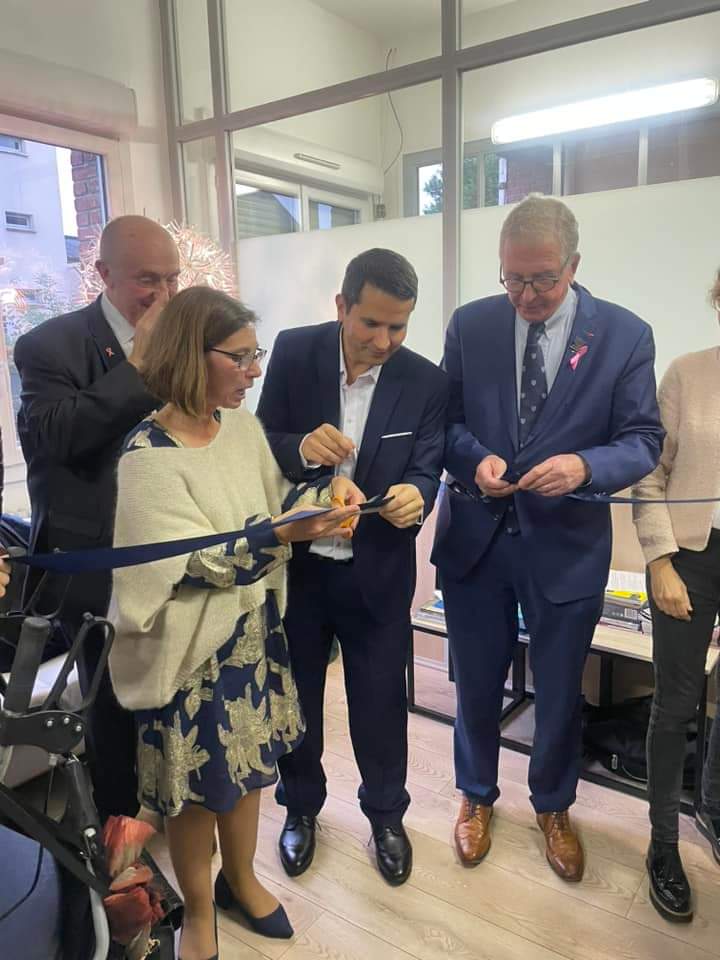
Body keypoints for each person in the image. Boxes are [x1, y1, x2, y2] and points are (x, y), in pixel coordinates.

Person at [111, 287, 361, 960]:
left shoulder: (242, 429)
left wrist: (324, 495)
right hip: (188, 655)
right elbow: (185, 566)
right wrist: (282, 532)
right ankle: (199, 910)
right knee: (194, 796)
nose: (254, 371)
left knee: (249, 772)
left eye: (257, 355)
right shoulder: (147, 454)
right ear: (192, 355)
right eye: (241, 357)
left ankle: (241, 881)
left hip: (251, 637)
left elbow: (273, 503)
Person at [432, 195, 664, 881]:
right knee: (475, 683)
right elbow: (445, 422)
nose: (527, 295)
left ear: (574, 265)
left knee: (560, 689)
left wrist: (585, 467)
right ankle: (476, 796)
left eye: (543, 280)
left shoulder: (624, 335)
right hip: (477, 535)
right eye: (514, 279)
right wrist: (475, 459)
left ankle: (554, 805)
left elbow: (643, 439)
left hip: (567, 543)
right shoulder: (472, 324)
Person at [257, 248, 448, 886]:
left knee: (380, 703)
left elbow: (427, 466)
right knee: (296, 697)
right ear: (342, 306)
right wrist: (299, 447)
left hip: (379, 571)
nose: (384, 341)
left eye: (399, 326)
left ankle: (386, 816)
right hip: (300, 571)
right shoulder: (294, 351)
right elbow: (263, 440)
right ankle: (300, 807)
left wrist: (418, 494)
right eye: (371, 323)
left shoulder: (425, 381)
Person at [14, 215, 180, 821]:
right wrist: (139, 364)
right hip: (96, 562)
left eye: (172, 279)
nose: (163, 294)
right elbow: (61, 438)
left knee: (174, 697)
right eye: (147, 280)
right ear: (104, 273)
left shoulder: (183, 339)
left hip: (173, 547)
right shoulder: (47, 345)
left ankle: (174, 819)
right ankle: (118, 836)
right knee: (109, 709)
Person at [632, 268, 720, 924]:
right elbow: (649, 477)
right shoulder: (688, 374)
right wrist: (660, 563)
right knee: (675, 705)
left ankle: (712, 811)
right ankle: (663, 843)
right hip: (689, 557)